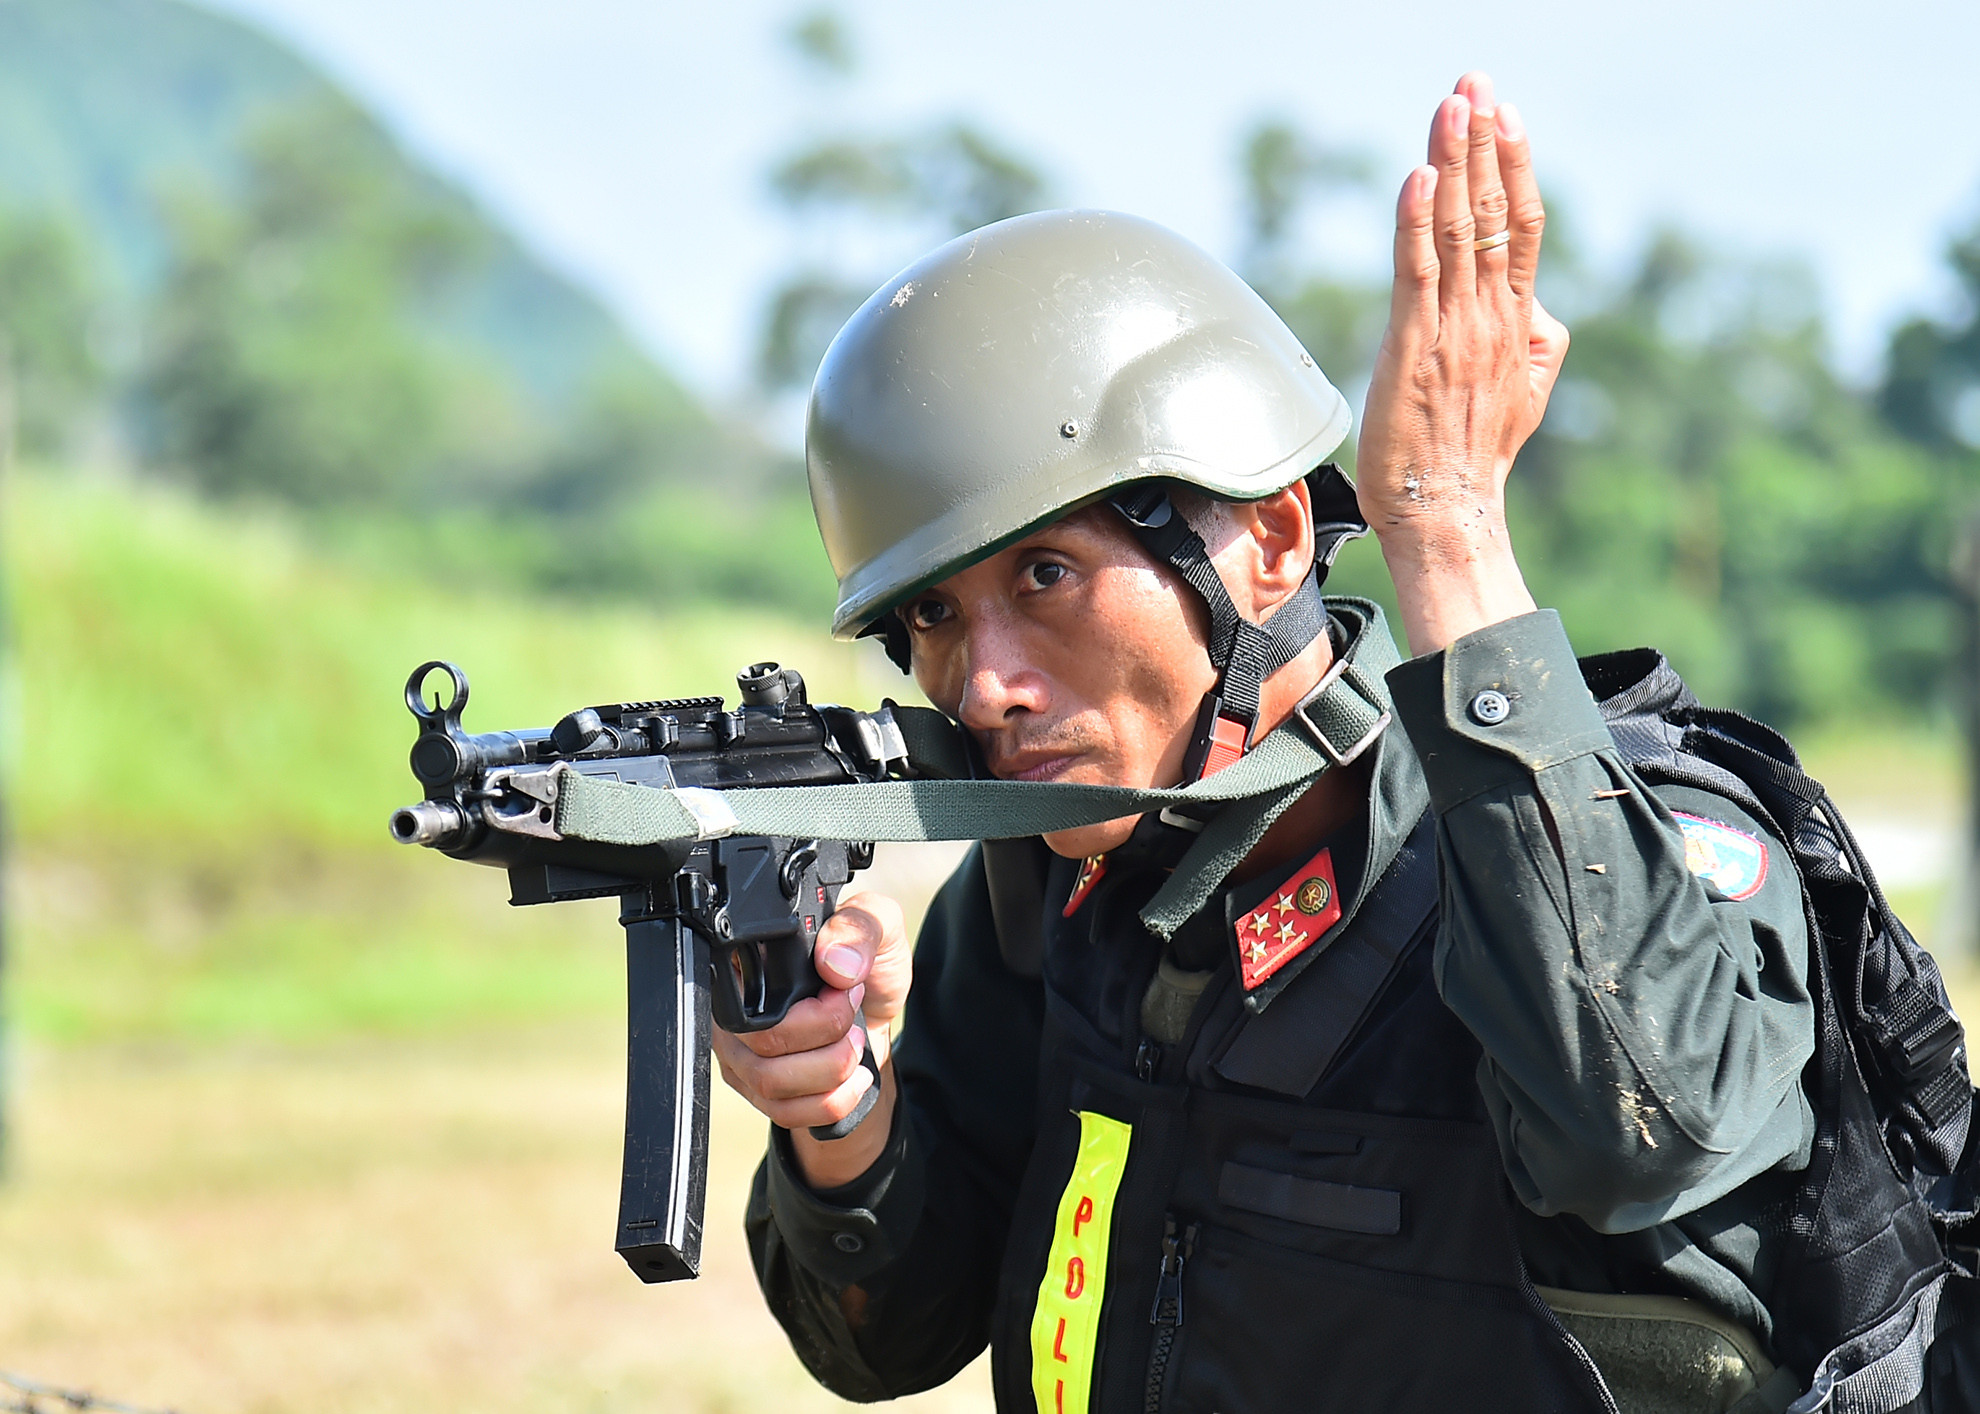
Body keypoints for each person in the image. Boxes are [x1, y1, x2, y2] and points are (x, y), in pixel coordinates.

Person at [713, 73, 1825, 1413]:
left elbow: (1651, 1128)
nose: (984, 681)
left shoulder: (1619, 845)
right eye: (935, 614)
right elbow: (886, 1336)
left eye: (1048, 576)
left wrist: (1451, 531)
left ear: (1276, 540)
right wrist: (837, 1109)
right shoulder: (1059, 892)